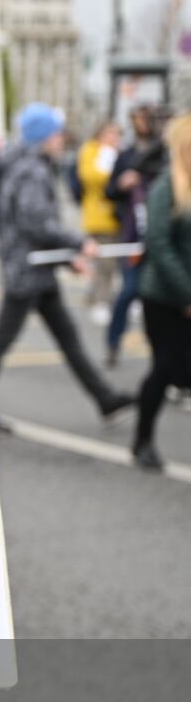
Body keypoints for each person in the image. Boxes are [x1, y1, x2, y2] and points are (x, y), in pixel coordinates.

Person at [0, 102, 135, 428]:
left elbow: (34, 228)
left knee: (68, 338)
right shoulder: (32, 170)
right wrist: (79, 244)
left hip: (35, 271)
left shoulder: (28, 165)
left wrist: (69, 260)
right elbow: (36, 223)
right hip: (26, 273)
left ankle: (105, 398)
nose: (61, 138)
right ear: (44, 136)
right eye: (55, 133)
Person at [131, 114, 191, 470]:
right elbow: (159, 244)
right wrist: (187, 296)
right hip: (164, 299)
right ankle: (142, 440)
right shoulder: (166, 187)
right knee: (165, 369)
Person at [105, 105, 169, 367]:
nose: (146, 124)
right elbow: (110, 190)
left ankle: (164, 362)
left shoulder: (165, 155)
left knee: (160, 304)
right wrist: (122, 182)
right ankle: (113, 343)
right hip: (134, 236)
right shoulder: (128, 155)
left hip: (160, 239)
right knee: (128, 292)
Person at [75, 120, 123, 325]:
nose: (114, 138)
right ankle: (101, 301)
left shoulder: (116, 152)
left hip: (115, 216)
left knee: (107, 261)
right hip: (99, 216)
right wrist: (112, 175)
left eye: (116, 134)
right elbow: (89, 176)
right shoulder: (91, 151)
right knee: (105, 262)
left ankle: (94, 296)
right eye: (110, 133)